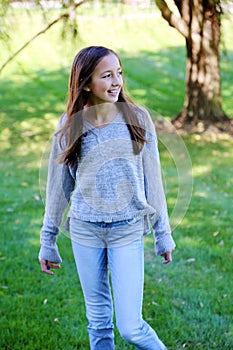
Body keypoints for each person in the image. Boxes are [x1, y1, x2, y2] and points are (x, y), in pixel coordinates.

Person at [39, 46, 175, 350]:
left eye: (120, 73)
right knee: (99, 323)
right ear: (86, 82)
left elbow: (154, 180)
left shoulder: (137, 118)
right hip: (86, 231)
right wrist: (48, 239)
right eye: (107, 75)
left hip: (126, 229)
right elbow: (58, 188)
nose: (117, 82)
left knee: (130, 328)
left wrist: (162, 234)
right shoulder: (69, 124)